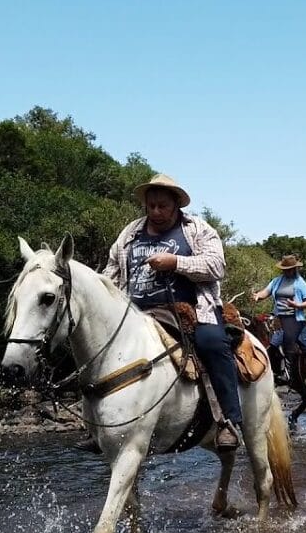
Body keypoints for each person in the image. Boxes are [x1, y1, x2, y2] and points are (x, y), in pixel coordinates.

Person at [102, 174, 242, 451]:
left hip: (189, 310)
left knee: (212, 343)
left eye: (162, 206)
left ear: (176, 204)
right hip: (134, 314)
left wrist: (175, 262)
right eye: (151, 206)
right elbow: (112, 272)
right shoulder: (130, 233)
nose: (155, 211)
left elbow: (216, 266)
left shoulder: (197, 229)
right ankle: (102, 426)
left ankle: (228, 420)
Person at [252, 255, 306, 386]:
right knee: (271, 345)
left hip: (294, 317)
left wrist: (297, 305)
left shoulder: (300, 283)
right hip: (278, 317)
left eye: (290, 269)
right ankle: (275, 373)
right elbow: (266, 292)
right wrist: (258, 296)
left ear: (295, 269)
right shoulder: (277, 281)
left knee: (288, 340)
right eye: (285, 269)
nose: (287, 271)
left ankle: (290, 375)